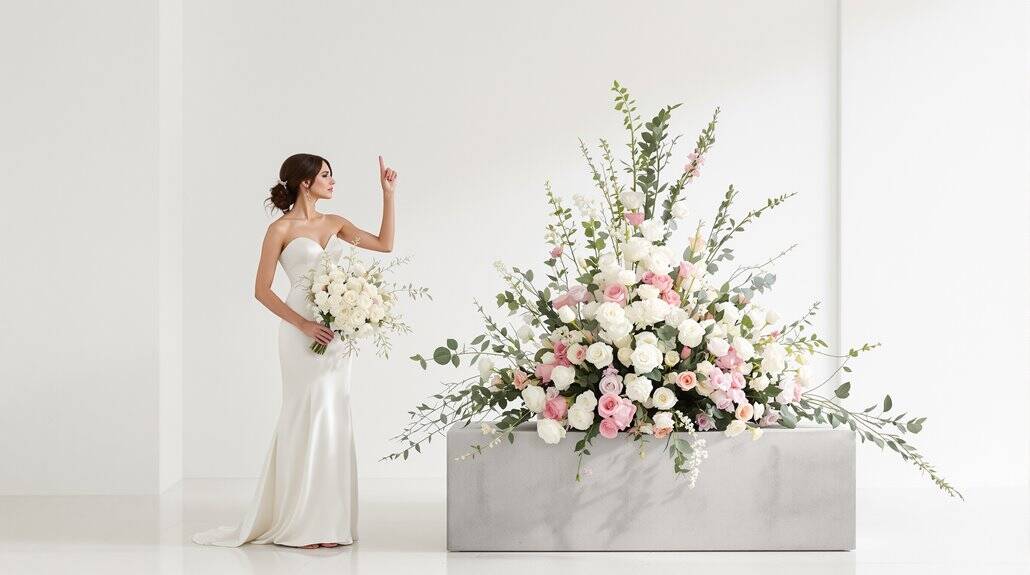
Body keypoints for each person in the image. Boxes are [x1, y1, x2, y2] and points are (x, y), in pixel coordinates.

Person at [191, 152, 396, 548]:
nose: (332, 182)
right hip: (300, 333)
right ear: (305, 182)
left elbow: (385, 244)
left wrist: (387, 193)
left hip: (336, 336)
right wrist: (302, 323)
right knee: (304, 416)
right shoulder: (279, 229)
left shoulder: (335, 224)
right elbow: (261, 290)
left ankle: (328, 523)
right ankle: (300, 522)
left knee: (334, 417)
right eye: (325, 175)